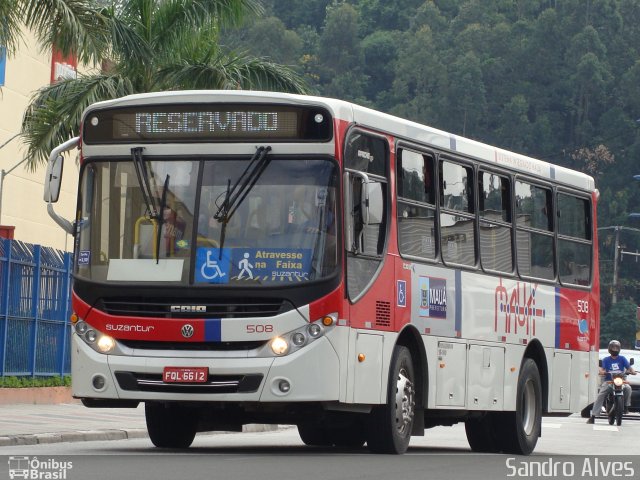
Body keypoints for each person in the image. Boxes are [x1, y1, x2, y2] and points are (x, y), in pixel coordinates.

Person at [586, 340, 636, 424]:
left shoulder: (622, 358)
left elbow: (629, 367)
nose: (615, 349)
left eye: (617, 347)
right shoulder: (606, 359)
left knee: (628, 388)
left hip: (621, 380)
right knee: (601, 394)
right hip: (609, 381)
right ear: (610, 349)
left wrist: (632, 371)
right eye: (613, 347)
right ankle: (593, 416)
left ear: (619, 349)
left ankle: (626, 406)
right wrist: (602, 372)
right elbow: (602, 369)